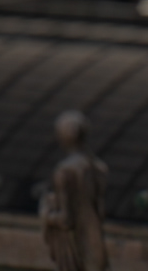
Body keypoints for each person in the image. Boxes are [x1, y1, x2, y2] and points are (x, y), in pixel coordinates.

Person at [38, 109, 108, 271]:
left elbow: (66, 220)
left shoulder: (64, 172)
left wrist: (46, 213)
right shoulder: (100, 168)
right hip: (96, 244)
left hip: (76, 249)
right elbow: (101, 211)